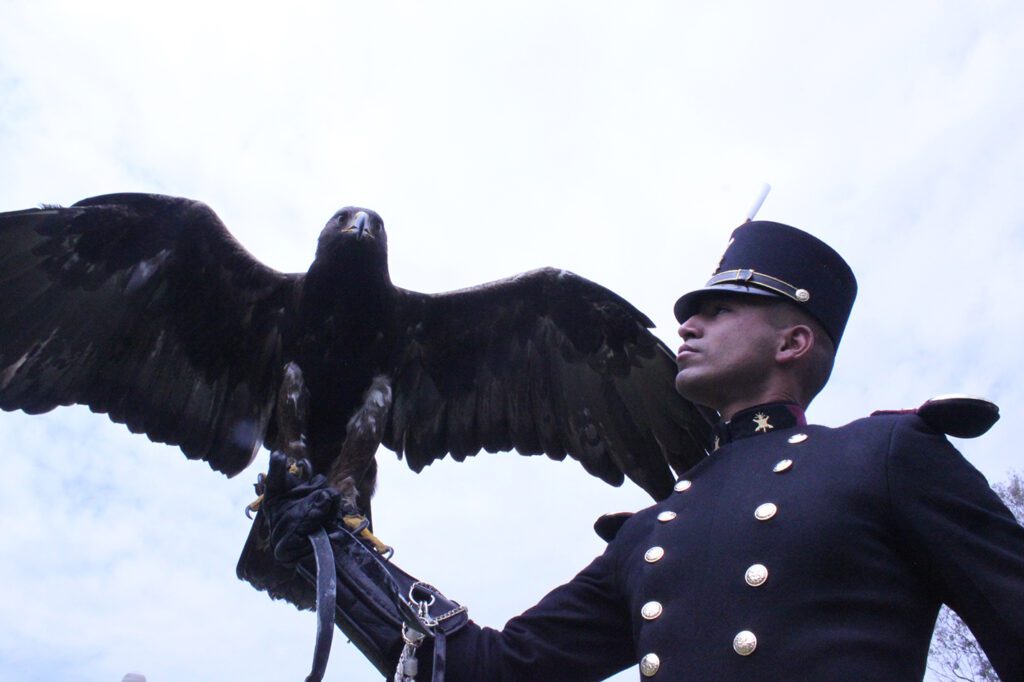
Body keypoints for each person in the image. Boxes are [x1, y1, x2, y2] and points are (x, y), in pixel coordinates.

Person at [263, 220, 1024, 681]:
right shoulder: (652, 535)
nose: (686, 326)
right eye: (688, 314)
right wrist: (335, 552)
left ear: (794, 340)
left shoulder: (888, 455)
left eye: (718, 311)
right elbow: (483, 673)